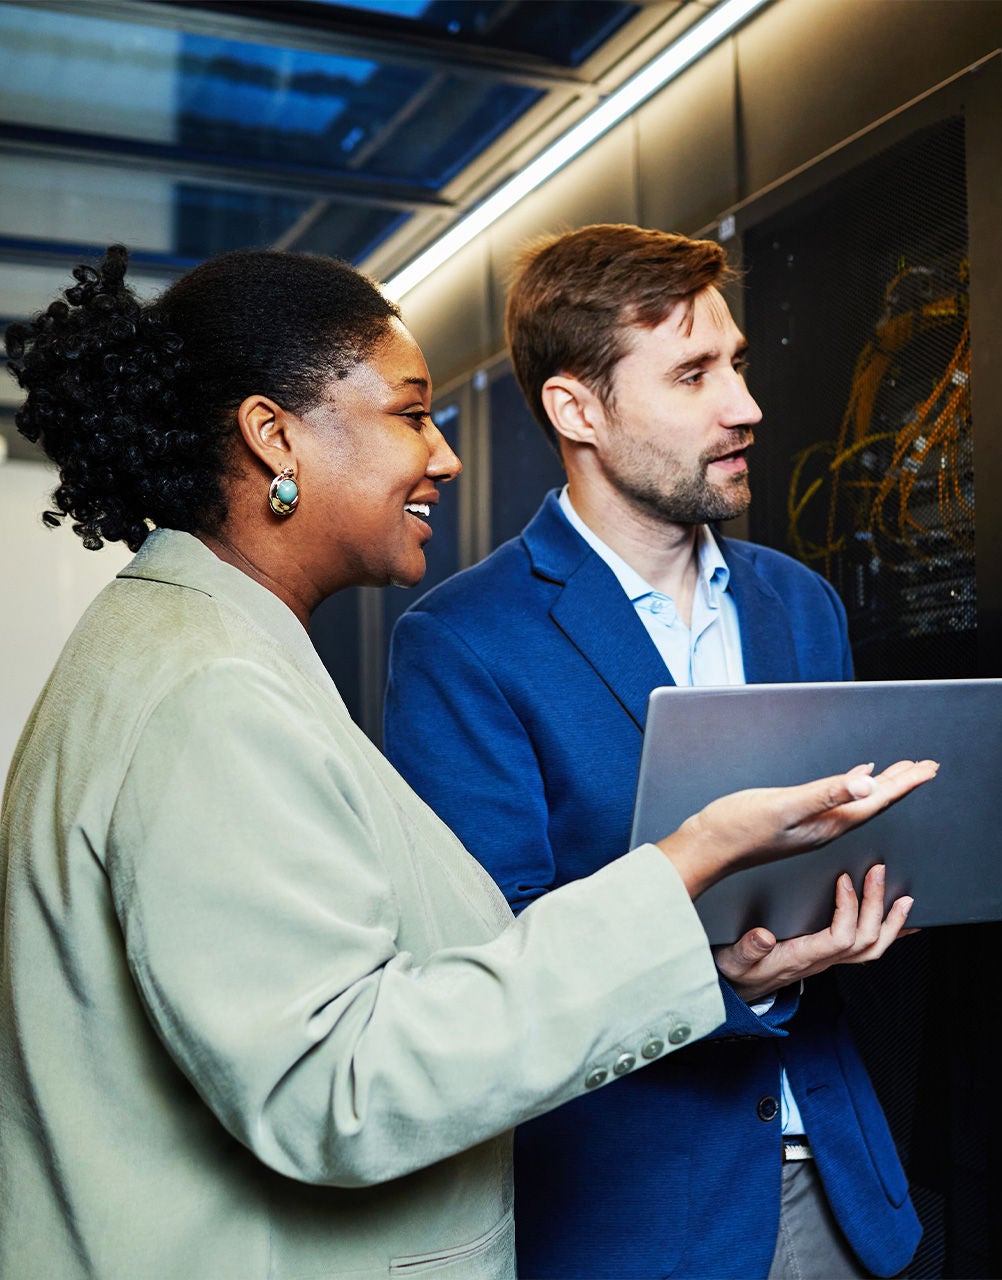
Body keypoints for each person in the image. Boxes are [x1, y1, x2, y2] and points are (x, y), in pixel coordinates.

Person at [0, 245, 937, 1280]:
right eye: (409, 413)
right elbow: (338, 1085)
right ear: (274, 436)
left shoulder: (199, 650)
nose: (442, 455)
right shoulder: (212, 688)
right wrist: (685, 864)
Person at [385, 223, 924, 1280]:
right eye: (691, 374)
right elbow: (489, 966)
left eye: (734, 364)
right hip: (631, 1216)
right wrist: (734, 982)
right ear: (576, 409)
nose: (744, 406)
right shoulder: (464, 641)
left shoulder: (798, 603)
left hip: (843, 1184)